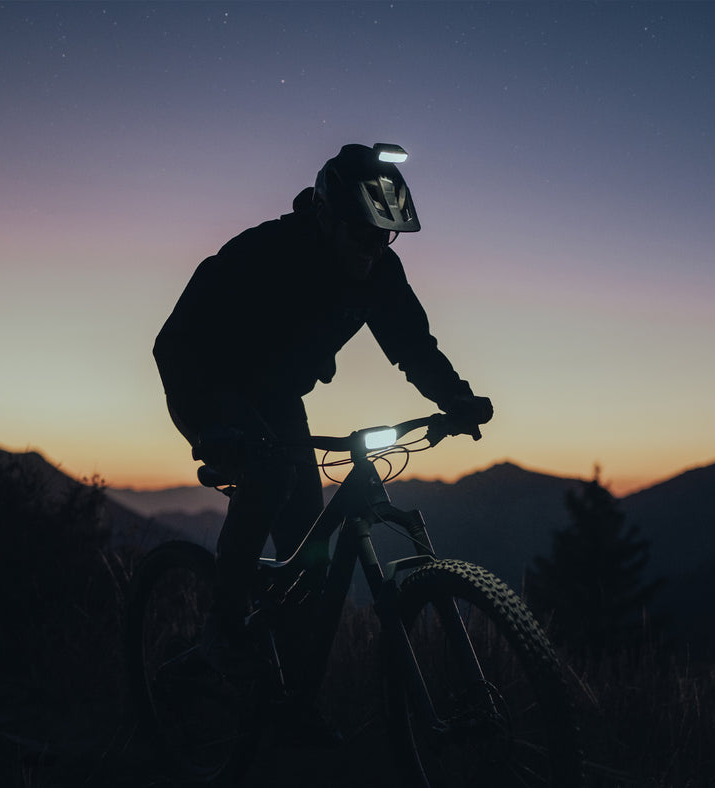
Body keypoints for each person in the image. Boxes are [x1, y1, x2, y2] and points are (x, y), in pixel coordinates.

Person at [152, 142, 493, 743]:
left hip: (279, 398)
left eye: (384, 238)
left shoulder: (378, 269)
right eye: (362, 234)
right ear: (328, 218)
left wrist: (456, 399)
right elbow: (174, 343)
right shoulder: (264, 252)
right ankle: (224, 633)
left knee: (308, 551)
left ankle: (291, 703)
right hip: (208, 379)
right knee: (267, 483)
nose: (373, 249)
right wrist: (210, 429)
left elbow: (412, 343)